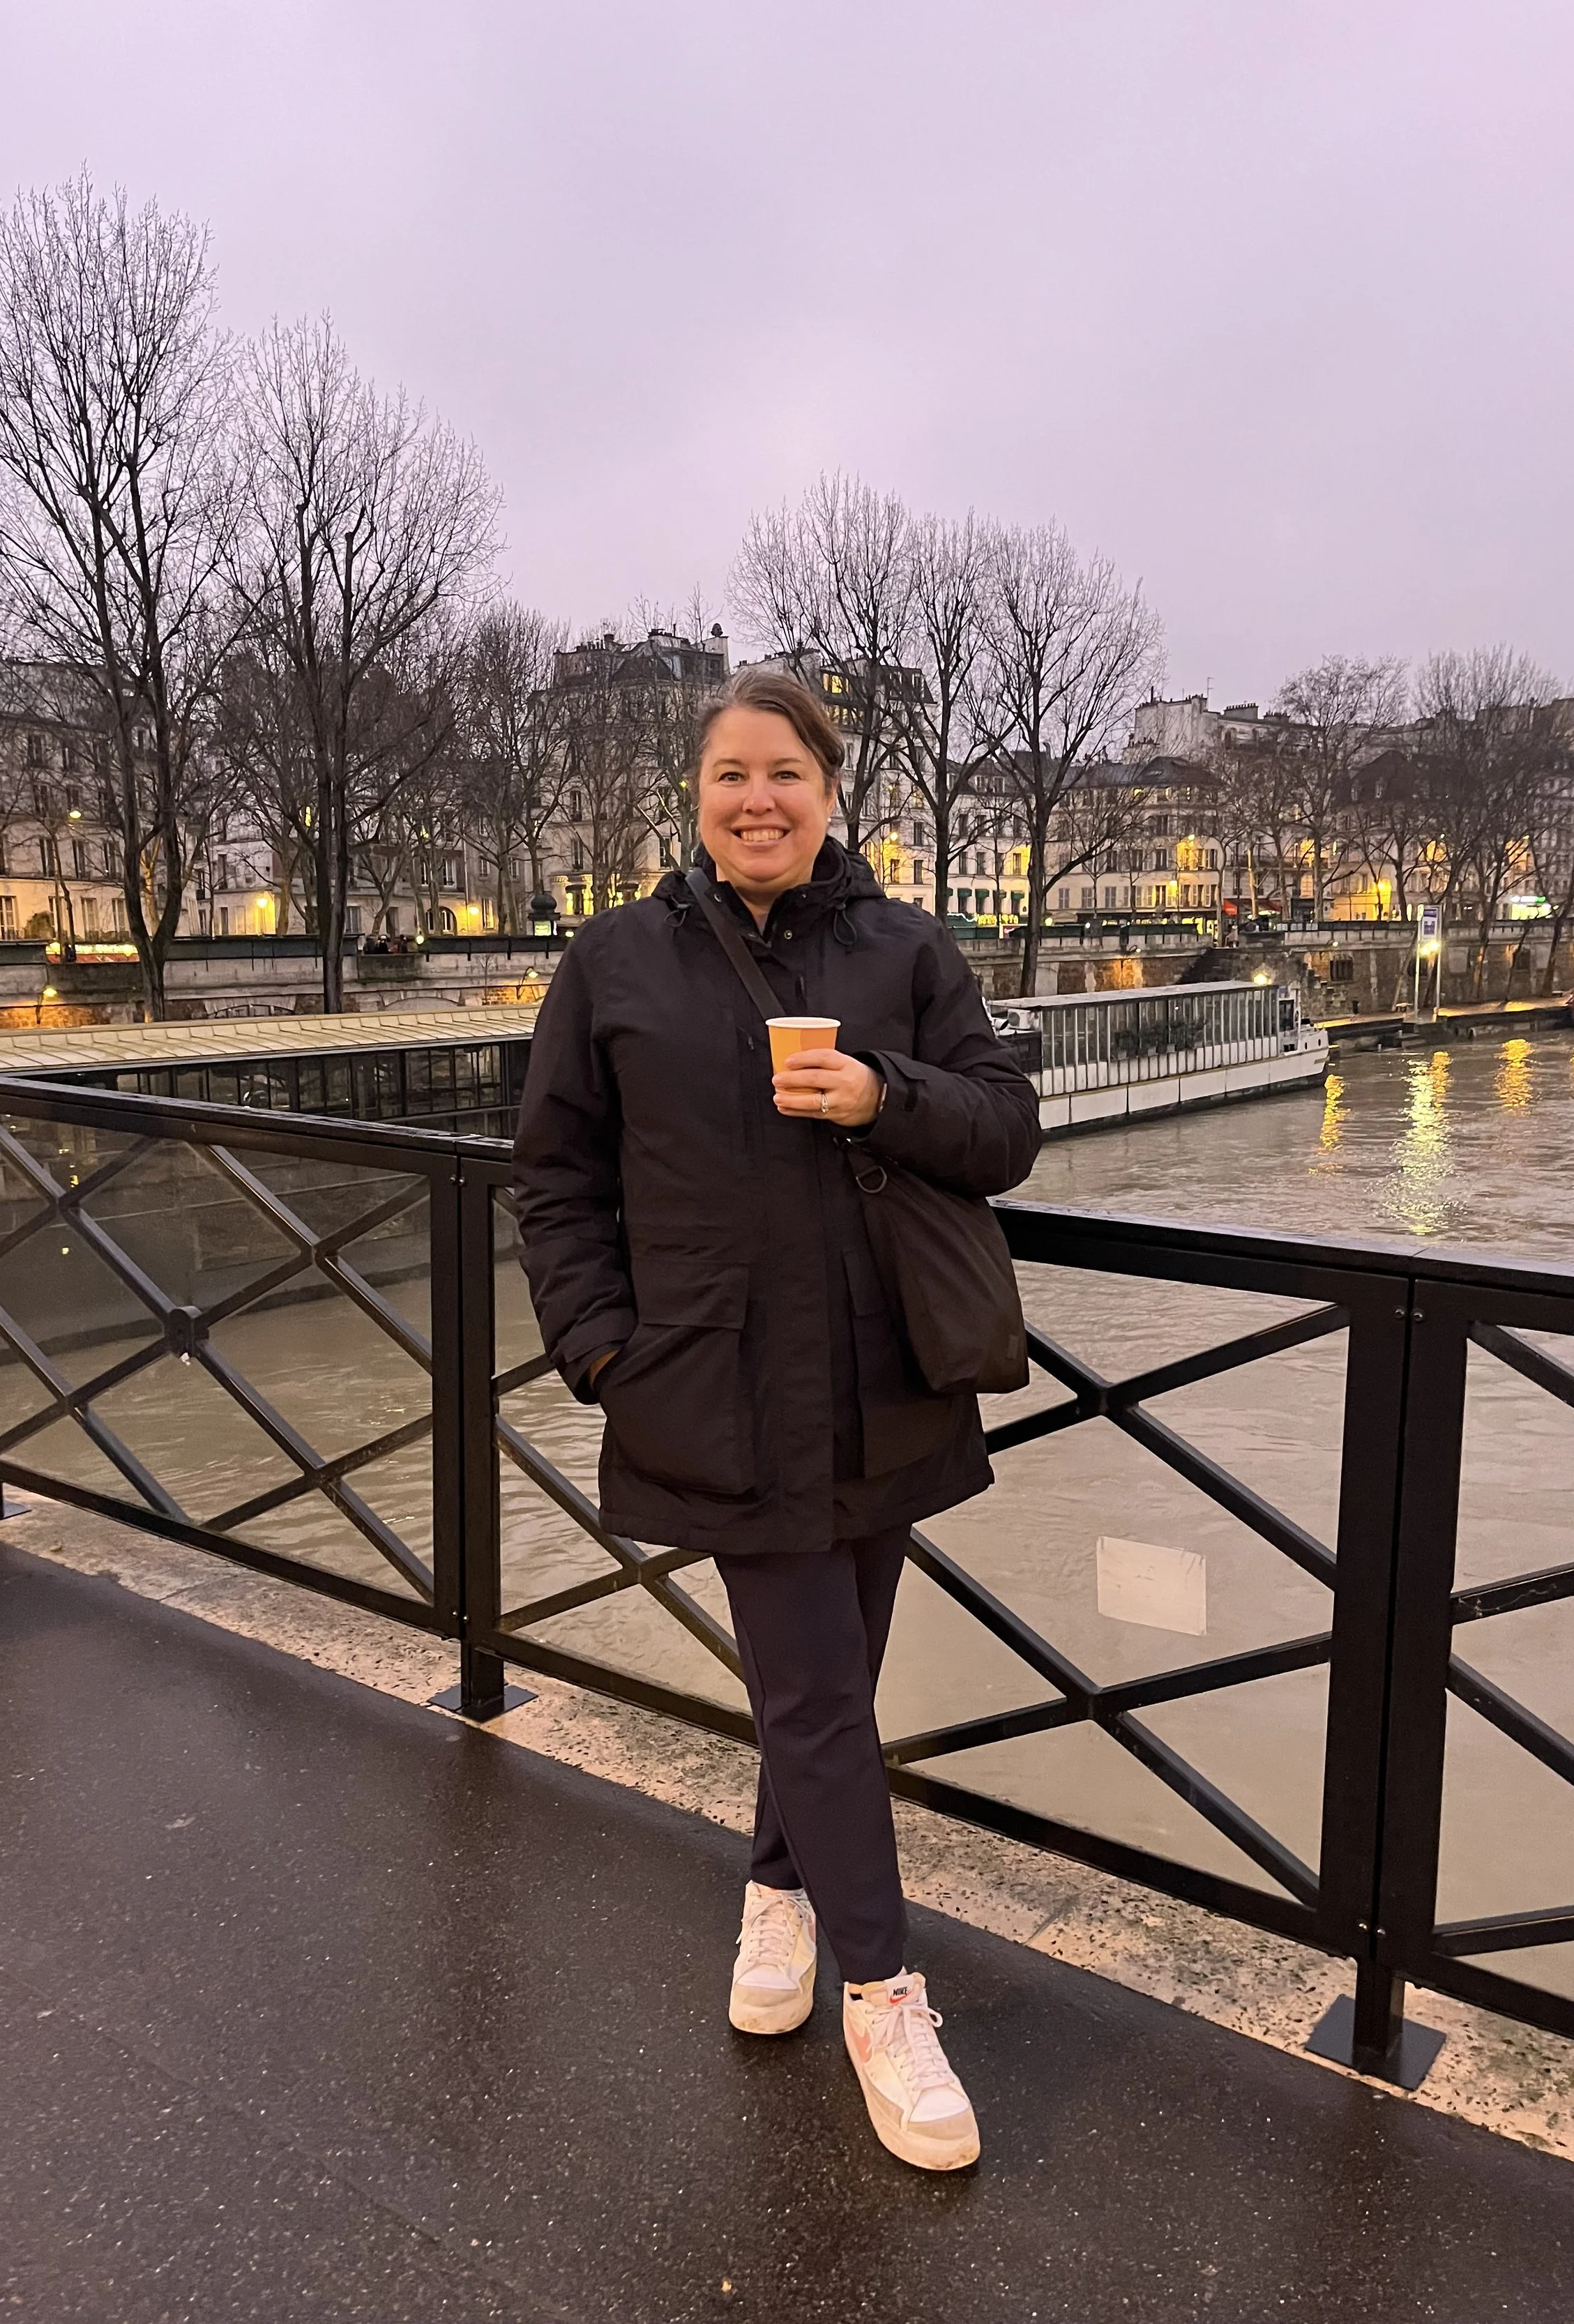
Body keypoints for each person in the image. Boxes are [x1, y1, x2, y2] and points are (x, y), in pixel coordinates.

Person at [511, 664, 1041, 2172]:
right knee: (818, 1700)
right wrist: (600, 1349)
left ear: (829, 794)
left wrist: (882, 1096)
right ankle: (882, 1999)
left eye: (786, 775)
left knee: (826, 1689)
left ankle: (774, 1895)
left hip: (884, 1382)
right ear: (697, 794)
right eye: (731, 773)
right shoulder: (612, 960)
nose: (757, 798)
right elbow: (553, 1176)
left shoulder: (902, 947)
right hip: (712, 1386)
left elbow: (1004, 1124)